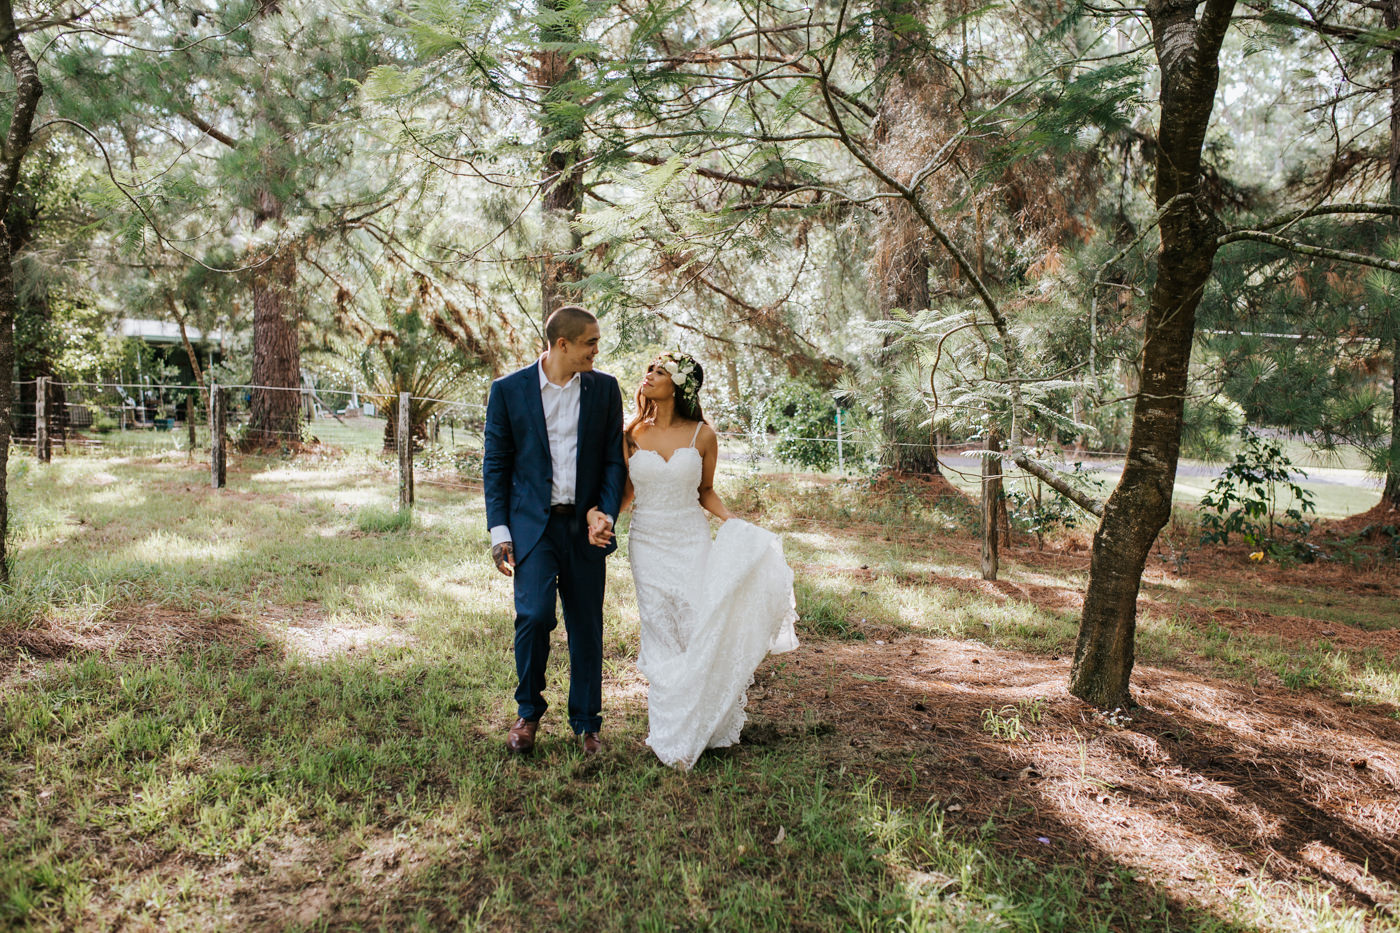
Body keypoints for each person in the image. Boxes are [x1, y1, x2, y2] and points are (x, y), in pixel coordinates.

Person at [621, 351, 799, 770]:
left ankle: (700, 719)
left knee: (695, 624)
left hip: (690, 539)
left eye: (659, 371)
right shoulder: (630, 433)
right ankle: (671, 729)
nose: (648, 376)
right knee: (659, 626)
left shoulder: (703, 435)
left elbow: (705, 491)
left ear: (680, 386)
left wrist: (736, 524)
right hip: (646, 541)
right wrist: (602, 520)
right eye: (649, 369)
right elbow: (624, 492)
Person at [483, 306, 626, 757]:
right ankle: (528, 713)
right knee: (535, 615)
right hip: (533, 527)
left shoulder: (605, 390)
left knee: (587, 624)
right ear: (562, 344)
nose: (596, 351)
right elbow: (496, 465)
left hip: (586, 528)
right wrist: (500, 531)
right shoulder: (507, 391)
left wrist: (604, 512)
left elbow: (611, 460)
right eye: (590, 343)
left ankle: (587, 725)